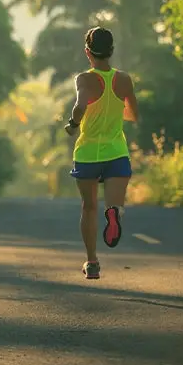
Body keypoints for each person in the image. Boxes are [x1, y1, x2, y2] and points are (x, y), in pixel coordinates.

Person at [64, 27, 139, 280]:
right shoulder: (125, 80)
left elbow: (79, 106)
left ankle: (92, 262)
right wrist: (113, 112)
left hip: (88, 155)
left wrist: (73, 125)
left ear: (88, 52)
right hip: (117, 153)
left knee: (88, 207)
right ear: (111, 51)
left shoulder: (84, 79)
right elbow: (133, 114)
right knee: (114, 204)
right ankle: (115, 213)